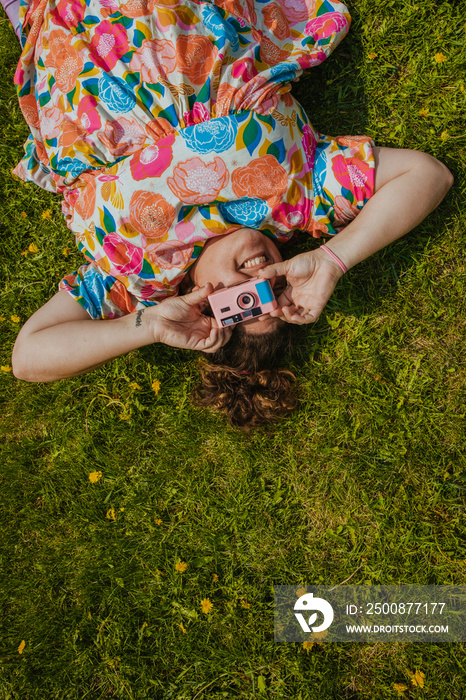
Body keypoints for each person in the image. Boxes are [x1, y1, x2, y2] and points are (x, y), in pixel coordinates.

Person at [7, 0, 453, 427]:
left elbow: (28, 357)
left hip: (60, 19)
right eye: (275, 291)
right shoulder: (303, 201)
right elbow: (429, 175)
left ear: (204, 308)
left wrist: (147, 327)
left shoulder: (137, 279)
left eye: (244, 303)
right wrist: (332, 260)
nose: (262, 278)